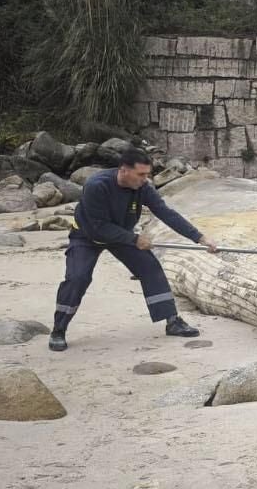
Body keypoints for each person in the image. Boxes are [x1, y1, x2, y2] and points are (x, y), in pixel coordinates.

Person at [49, 150, 217, 352]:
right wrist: (135, 239)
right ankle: (59, 329)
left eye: (147, 174)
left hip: (121, 235)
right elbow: (98, 227)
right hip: (87, 236)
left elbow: (166, 213)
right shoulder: (96, 186)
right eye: (141, 174)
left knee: (150, 268)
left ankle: (173, 321)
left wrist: (199, 238)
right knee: (78, 277)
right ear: (124, 171)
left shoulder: (142, 187)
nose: (146, 179)